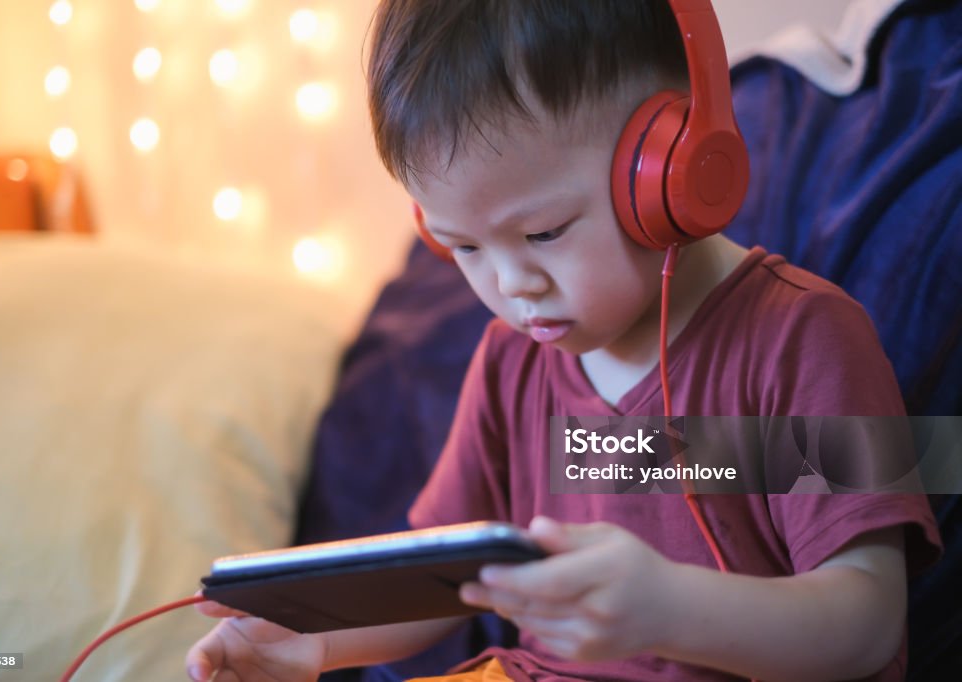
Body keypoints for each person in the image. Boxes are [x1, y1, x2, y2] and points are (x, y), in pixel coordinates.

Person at [186, 1, 941, 680]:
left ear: (672, 172)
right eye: (465, 247)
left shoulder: (805, 341)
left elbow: (867, 624)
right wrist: (318, 640)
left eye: (543, 232)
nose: (513, 285)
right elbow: (443, 585)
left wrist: (669, 608)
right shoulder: (511, 363)